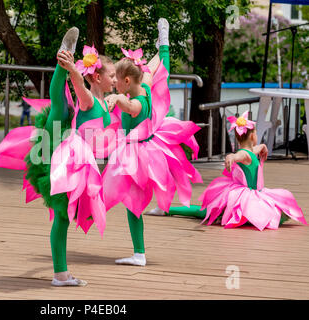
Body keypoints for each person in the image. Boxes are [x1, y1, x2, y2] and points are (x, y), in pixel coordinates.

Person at [0, 27, 107, 287]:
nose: (113, 78)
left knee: (63, 217)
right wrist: (68, 65)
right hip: (58, 155)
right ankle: (60, 274)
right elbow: (72, 90)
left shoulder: (104, 102)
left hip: (68, 152)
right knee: (61, 216)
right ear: (98, 77)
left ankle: (61, 273)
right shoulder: (87, 100)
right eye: (110, 74)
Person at [102, 18, 202, 266]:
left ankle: (139, 254)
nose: (113, 81)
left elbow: (128, 105)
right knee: (137, 197)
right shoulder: (144, 87)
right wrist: (162, 49)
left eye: (116, 78)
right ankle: (142, 245)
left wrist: (115, 99)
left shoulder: (135, 102)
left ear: (126, 82)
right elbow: (155, 69)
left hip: (136, 155)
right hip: (148, 147)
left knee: (132, 203)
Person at [149, 111, 307, 231]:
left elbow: (255, 150)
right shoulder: (245, 154)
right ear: (252, 137)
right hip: (242, 196)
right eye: (256, 134)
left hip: (253, 194)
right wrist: (231, 158)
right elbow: (238, 155)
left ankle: (166, 209)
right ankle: (166, 210)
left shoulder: (252, 150)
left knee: (273, 211)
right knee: (205, 212)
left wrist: (263, 147)